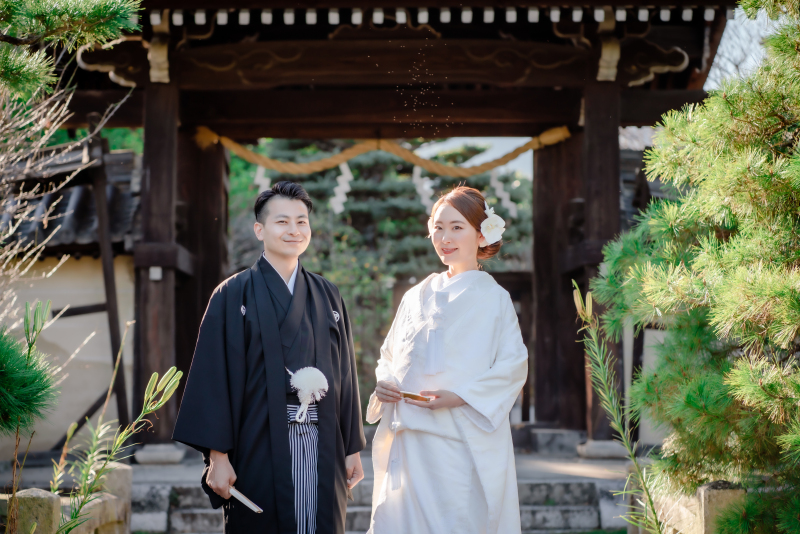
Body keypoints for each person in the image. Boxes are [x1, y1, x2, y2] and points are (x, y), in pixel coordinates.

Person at [172, 181, 366, 534]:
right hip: (259, 440)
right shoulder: (232, 294)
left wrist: (351, 446)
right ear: (259, 229)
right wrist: (217, 456)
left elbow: (344, 376)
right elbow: (213, 377)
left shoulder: (327, 294)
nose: (293, 230)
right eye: (282, 222)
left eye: (301, 221)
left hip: (323, 441)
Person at [366, 186, 528, 534]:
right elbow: (390, 356)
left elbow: (513, 365)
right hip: (409, 438)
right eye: (438, 227)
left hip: (459, 437)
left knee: (457, 522)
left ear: (481, 233)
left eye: (457, 227)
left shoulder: (494, 298)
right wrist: (387, 383)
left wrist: (461, 396)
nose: (445, 237)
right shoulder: (415, 296)